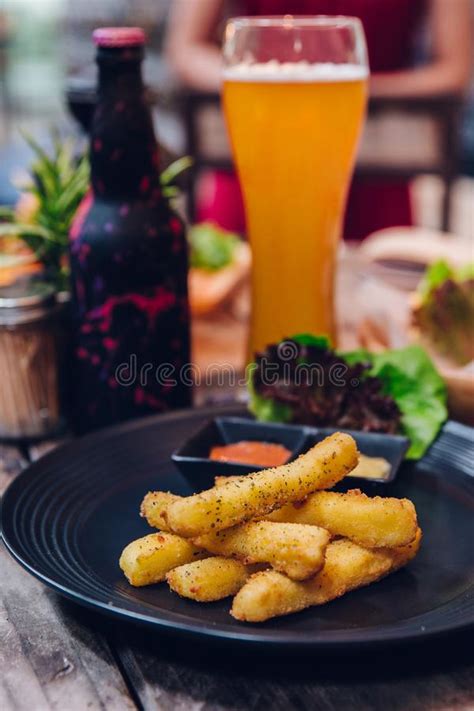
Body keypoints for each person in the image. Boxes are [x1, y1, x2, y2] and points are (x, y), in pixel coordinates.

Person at [166, 0, 472, 239]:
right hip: (256, 166)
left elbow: (454, 69)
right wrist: (273, 83)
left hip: (371, 176)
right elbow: (185, 49)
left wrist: (344, 91)